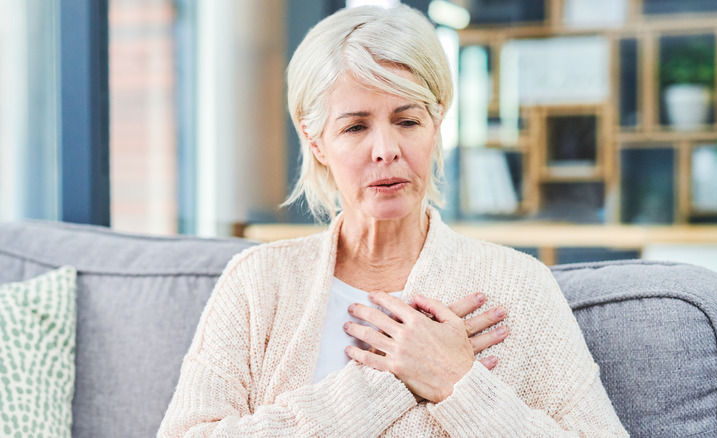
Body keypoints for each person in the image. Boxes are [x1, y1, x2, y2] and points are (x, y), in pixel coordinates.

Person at [159, 5, 628, 437]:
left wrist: (459, 384)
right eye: (355, 126)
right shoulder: (257, 282)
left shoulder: (519, 285)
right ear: (316, 140)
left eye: (407, 121)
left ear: (436, 125)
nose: (386, 148)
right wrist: (383, 385)